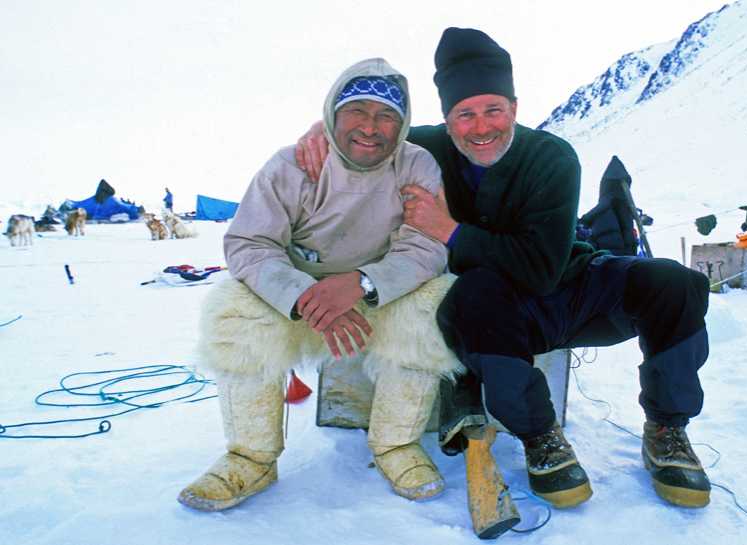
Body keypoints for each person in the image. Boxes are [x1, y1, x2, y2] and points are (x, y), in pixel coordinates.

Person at [296, 28, 713, 510]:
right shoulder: (427, 147)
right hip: (495, 318)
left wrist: (449, 230)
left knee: (674, 284)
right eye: (465, 114)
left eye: (493, 110)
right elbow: (370, 134)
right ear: (447, 120)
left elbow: (540, 271)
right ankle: (540, 436)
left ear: (514, 107)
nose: (481, 127)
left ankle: (666, 429)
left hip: (568, 290)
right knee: (477, 293)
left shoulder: (552, 157)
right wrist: (322, 130)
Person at [177, 58, 462, 512]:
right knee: (233, 309)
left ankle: (396, 444)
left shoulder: (416, 164)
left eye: (386, 115)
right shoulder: (290, 164)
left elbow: (425, 247)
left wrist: (363, 284)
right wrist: (306, 297)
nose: (370, 127)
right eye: (357, 111)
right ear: (332, 113)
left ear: (403, 122)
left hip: (375, 298)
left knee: (434, 304)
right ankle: (251, 457)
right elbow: (250, 243)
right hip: (297, 300)